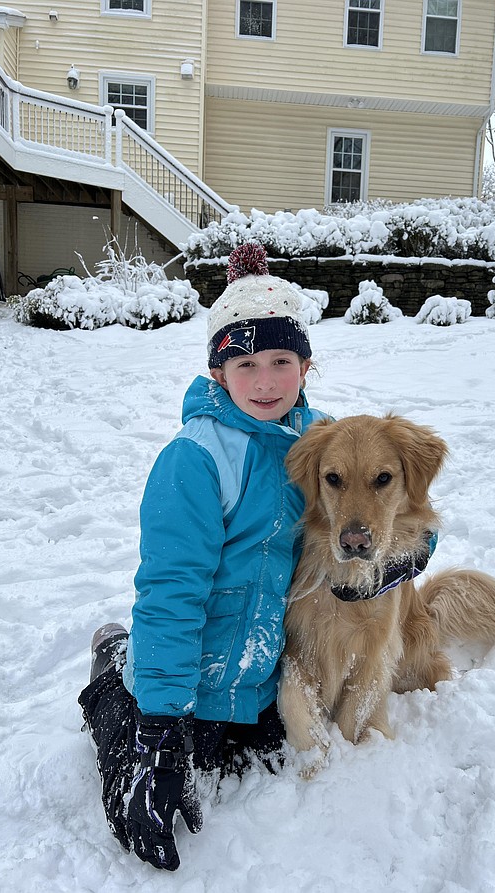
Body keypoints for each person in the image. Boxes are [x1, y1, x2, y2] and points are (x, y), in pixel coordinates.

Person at [78, 242, 328, 871]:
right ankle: (115, 675)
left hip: (263, 680)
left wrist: (404, 557)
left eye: (281, 360)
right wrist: (158, 726)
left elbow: (393, 503)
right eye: (244, 364)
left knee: (258, 754)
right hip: (186, 682)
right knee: (164, 754)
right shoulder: (193, 460)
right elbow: (171, 590)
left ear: (306, 365)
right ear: (218, 374)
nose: (265, 381)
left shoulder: (324, 440)